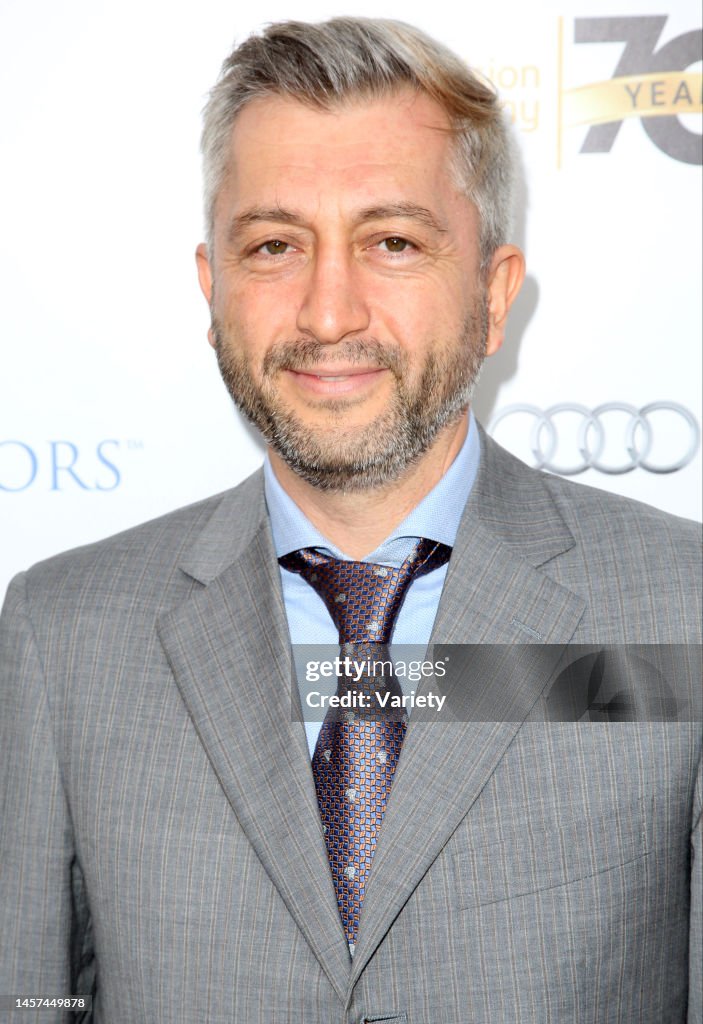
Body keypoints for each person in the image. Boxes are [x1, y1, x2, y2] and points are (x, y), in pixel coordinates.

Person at [0, 17, 701, 1024]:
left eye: (393, 242)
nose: (329, 312)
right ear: (212, 291)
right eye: (276, 244)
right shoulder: (60, 632)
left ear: (494, 295)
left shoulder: (683, 608)